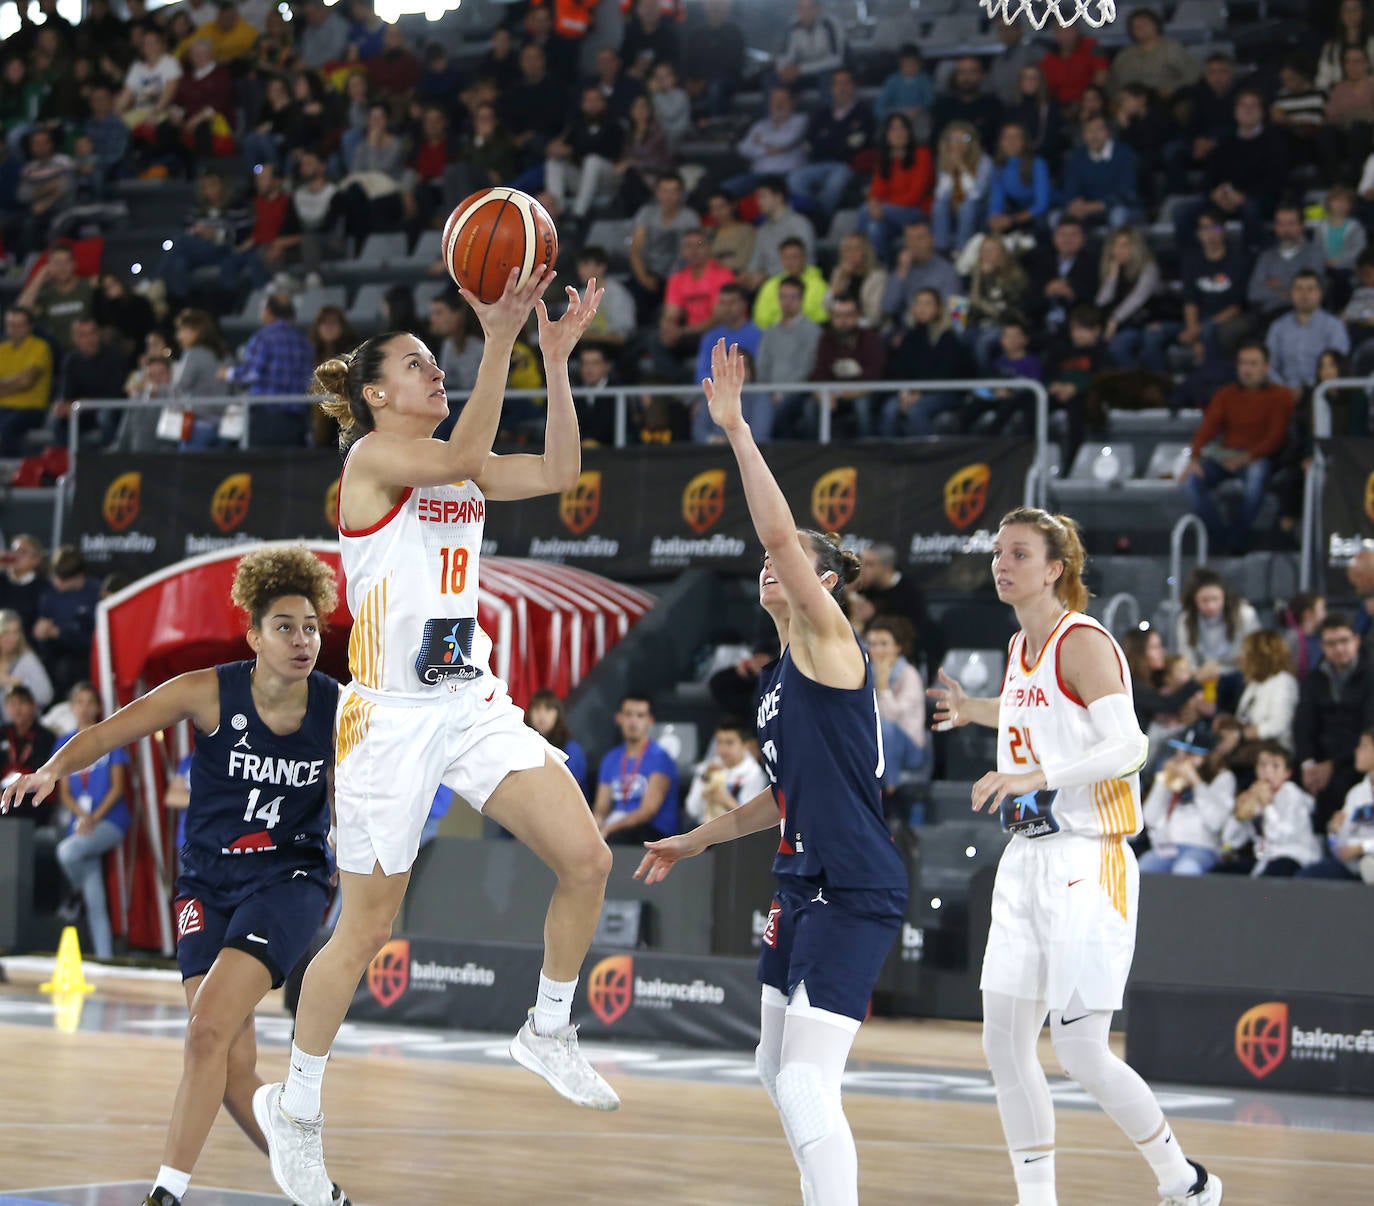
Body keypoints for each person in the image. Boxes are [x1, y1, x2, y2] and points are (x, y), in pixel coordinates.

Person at [252, 268, 618, 1206]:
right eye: (416, 366)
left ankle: (546, 1028)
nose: (433, 373)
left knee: (587, 858)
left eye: (434, 362)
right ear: (376, 394)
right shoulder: (373, 457)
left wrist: (555, 362)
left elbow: (563, 474)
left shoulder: (457, 456)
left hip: (468, 702)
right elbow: (460, 461)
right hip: (388, 721)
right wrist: (498, 340)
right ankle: (295, 1106)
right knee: (367, 927)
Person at [635, 339, 908, 1206]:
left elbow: (779, 532)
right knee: (770, 1064)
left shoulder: (832, 643)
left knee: (803, 1082)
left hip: (854, 884)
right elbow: (779, 800)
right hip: (800, 880)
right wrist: (694, 838)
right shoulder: (781, 676)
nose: (770, 567)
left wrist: (737, 430)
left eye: (791, 567)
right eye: (767, 567)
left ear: (825, 584)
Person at [0, 546, 349, 1206]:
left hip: (289, 881)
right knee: (227, 1062)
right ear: (253, 634)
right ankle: (322, 1195)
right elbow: (108, 733)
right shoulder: (207, 692)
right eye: (284, 626)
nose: (301, 639)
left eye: (310, 626)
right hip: (207, 886)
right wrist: (49, 771)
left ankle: (166, 1194)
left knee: (205, 1029)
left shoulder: (338, 708)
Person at [929, 505, 1222, 1206]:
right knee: (1004, 1046)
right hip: (1027, 858)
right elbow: (1039, 711)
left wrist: (1037, 777)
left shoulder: (1083, 640)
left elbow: (1129, 747)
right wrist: (979, 711)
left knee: (1081, 1048)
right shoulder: (1018, 646)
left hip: (1089, 859)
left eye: (1020, 554)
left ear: (1056, 569)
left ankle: (1185, 1182)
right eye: (999, 552)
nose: (1002, 563)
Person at [1181, 343, 1295, 554]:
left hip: (1259, 456)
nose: (1247, 369)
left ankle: (1237, 537)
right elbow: (1208, 427)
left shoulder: (1281, 396)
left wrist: (1247, 457)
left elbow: (1275, 437)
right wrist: (1194, 456)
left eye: (1253, 364)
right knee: (1190, 482)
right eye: (1243, 363)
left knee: (1256, 477)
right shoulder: (1226, 394)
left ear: (1266, 367)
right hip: (1227, 454)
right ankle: (1219, 535)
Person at [49, 681, 128, 958]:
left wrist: (93, 817)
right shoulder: (63, 742)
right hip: (81, 823)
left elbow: (118, 787)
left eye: (89, 701)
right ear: (72, 707)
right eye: (79, 701)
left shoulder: (110, 737)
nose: (84, 707)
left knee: (67, 850)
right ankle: (105, 957)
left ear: (97, 706)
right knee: (95, 896)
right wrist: (82, 816)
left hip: (109, 821)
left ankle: (74, 894)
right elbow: (65, 792)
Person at [1294, 611, 1374, 830]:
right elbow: (1303, 724)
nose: (1339, 649)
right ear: (1322, 646)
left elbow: (1369, 728)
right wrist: (1308, 763)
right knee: (1289, 778)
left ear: (1356, 640)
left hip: (1356, 756)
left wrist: (1333, 764)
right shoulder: (1313, 679)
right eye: (1331, 643)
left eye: (1344, 641)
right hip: (1320, 758)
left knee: (1339, 783)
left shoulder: (1370, 675)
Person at [1138, 727, 1235, 876]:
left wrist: (1195, 781)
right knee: (1143, 867)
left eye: (1191, 754)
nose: (1183, 758)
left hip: (1202, 847)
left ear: (1208, 756)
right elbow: (1150, 819)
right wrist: (1163, 783)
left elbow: (1216, 822)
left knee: (1187, 867)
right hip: (1167, 847)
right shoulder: (1171, 776)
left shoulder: (1222, 777)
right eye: (1180, 751)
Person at [1222, 742, 1321, 876]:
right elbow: (1230, 840)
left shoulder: (1292, 794)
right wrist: (1238, 816)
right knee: (1222, 872)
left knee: (1273, 874)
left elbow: (1283, 836)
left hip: (1294, 856)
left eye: (1275, 766)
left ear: (1287, 773)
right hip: (1265, 859)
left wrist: (1268, 805)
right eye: (1262, 765)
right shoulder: (1254, 794)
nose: (1268, 772)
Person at [592, 693, 680, 843]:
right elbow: (601, 806)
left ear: (650, 721)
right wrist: (596, 824)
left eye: (640, 716)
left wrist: (608, 828)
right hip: (617, 827)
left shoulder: (660, 758)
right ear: (618, 718)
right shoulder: (610, 758)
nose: (633, 722)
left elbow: (647, 812)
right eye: (628, 715)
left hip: (652, 832)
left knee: (614, 839)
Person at [1299, 726, 1374, 879]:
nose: (1357, 751)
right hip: (1354, 867)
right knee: (1307, 876)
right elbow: (1337, 847)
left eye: (1364, 746)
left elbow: (1359, 847)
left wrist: (1362, 847)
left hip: (1367, 856)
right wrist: (1333, 832)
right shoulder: (1357, 794)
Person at [866, 615, 927, 791]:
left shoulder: (909, 674)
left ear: (897, 647)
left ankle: (889, 790)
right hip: (874, 741)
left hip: (909, 747)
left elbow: (891, 716)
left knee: (887, 729)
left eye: (884, 644)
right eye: (873, 644)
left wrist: (883, 686)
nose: (877, 650)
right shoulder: (866, 673)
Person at [683, 717, 769, 824]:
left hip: (737, 834)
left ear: (745, 745)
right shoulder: (707, 769)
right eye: (719, 742)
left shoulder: (754, 774)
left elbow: (750, 820)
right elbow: (692, 811)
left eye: (729, 743)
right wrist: (704, 780)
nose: (723, 748)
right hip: (705, 828)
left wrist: (727, 802)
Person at [525, 687, 587, 796]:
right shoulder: (524, 746)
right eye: (537, 709)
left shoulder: (571, 749)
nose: (542, 715)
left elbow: (568, 791)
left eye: (548, 709)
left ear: (557, 714)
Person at [0, 606, 52, 708]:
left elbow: (46, 696)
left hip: (21, 721)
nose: (11, 638)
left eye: (15, 632)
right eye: (6, 632)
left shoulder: (27, 659)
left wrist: (14, 682)